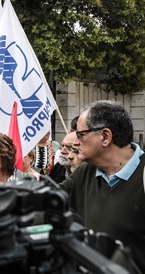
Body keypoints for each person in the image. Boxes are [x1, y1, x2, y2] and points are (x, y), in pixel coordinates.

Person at [60, 100, 145, 273]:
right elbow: (47, 198)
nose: (74, 142)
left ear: (105, 136)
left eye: (80, 134)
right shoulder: (84, 171)